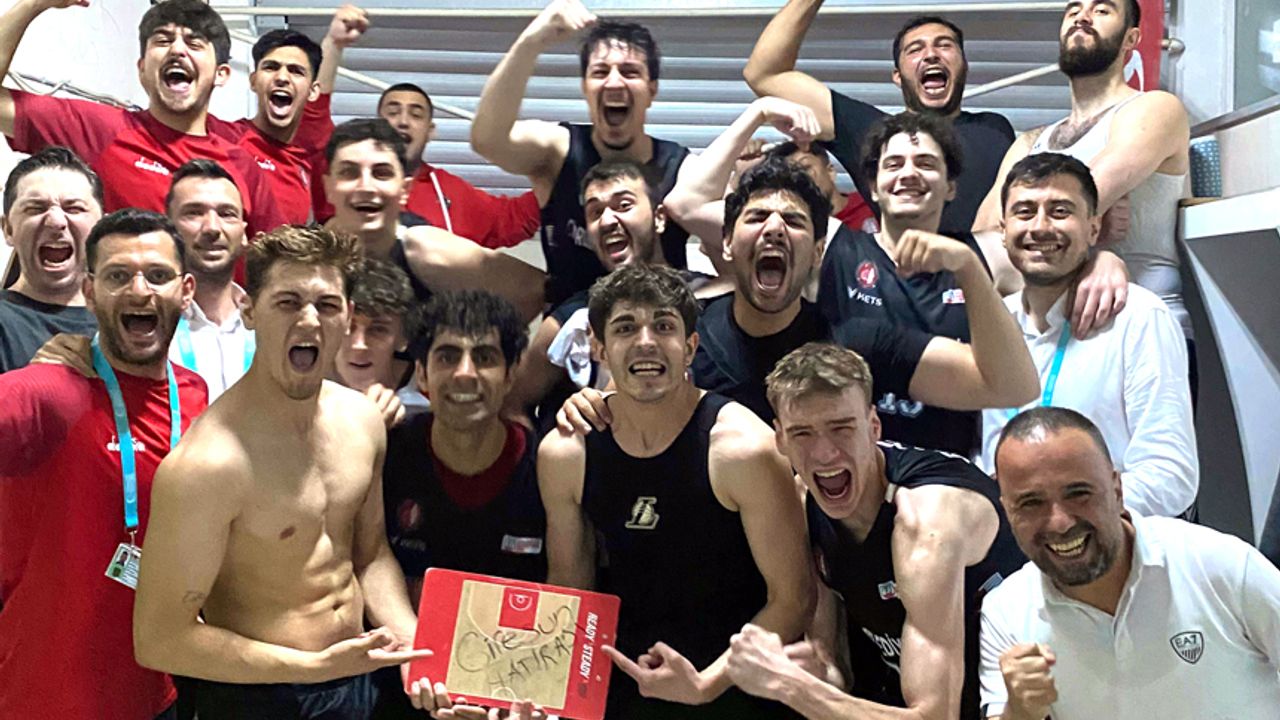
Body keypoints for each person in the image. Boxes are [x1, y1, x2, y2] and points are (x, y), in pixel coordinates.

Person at [131, 225, 431, 719]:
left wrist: (410, 640)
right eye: (288, 302)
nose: (309, 320)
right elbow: (160, 639)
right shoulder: (207, 465)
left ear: (347, 315)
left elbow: (370, 554)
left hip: (354, 680)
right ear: (250, 311)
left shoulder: (362, 421)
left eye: (327, 305)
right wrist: (311, 667)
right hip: (257, 696)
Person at [539, 263, 815, 719]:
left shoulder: (743, 449)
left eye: (664, 326)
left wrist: (706, 686)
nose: (646, 341)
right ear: (598, 347)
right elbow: (571, 595)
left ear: (690, 347)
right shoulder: (567, 452)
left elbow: (794, 599)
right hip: (625, 683)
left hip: (735, 687)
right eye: (625, 327)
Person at [725, 342, 1026, 720]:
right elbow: (837, 673)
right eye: (802, 433)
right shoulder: (804, 503)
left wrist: (794, 688)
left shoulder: (927, 524)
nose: (824, 453)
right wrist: (815, 676)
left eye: (841, 428)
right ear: (780, 439)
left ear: (873, 427)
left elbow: (935, 716)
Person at [0, 208, 205, 719]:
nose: (139, 291)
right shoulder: (45, 393)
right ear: (89, 292)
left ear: (186, 291)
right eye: (118, 276)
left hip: (161, 692)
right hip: (46, 698)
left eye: (157, 275)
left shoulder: (195, 395)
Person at [688, 159, 1038, 436]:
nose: (775, 229)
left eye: (794, 221)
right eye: (758, 217)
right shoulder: (682, 332)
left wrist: (970, 269)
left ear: (817, 253)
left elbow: (1010, 386)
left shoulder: (853, 341)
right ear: (728, 243)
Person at [979, 407, 1280, 720]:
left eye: (1078, 493)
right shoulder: (1006, 612)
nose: (1060, 523)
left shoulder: (1217, 563)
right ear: (1007, 510)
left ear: (1117, 490)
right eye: (1031, 503)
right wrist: (1019, 711)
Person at [979, 153, 1196, 519]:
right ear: (1003, 229)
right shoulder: (988, 325)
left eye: (1060, 211)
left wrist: (1069, 512)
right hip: (1001, 538)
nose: (1040, 227)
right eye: (1025, 212)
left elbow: (1170, 476)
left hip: (1108, 539)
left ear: (1094, 228)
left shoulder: (1137, 318)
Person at [973, 0, 1192, 344]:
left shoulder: (1154, 108)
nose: (1083, 17)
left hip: (1135, 326)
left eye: (1102, 10)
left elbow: (1074, 204)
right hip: (1048, 334)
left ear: (1131, 39)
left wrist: (1080, 231)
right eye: (1073, 10)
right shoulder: (1029, 142)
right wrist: (1096, 246)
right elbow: (985, 241)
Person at [381, 290, 547, 719]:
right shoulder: (387, 452)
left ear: (511, 375)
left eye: (485, 357)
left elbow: (567, 592)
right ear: (422, 373)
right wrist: (414, 649)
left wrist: (523, 694)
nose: (465, 374)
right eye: (447, 356)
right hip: (402, 682)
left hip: (514, 692)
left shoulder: (549, 468)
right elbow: (367, 559)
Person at [471, 0, 695, 305]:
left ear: (652, 89)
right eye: (600, 72)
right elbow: (487, 140)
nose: (614, 82)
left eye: (629, 72)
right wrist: (531, 41)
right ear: (585, 87)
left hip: (658, 319)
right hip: (570, 320)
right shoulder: (558, 150)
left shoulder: (682, 168)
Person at [0, 0, 287, 235]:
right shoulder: (101, 131)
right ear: (141, 69)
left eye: (195, 43)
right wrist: (31, 4)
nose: (177, 49)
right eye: (163, 40)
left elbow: (276, 261)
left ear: (220, 74)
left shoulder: (244, 167)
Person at [743, 2, 1014, 233]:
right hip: (902, 276)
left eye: (944, 45)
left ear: (964, 66)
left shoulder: (995, 128)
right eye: (915, 49)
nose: (931, 55)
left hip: (991, 276)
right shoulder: (873, 132)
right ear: (897, 76)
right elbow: (764, 74)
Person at [506, 160, 729, 429]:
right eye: (595, 212)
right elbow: (513, 404)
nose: (607, 221)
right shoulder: (573, 320)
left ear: (659, 217)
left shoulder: (716, 300)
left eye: (623, 205)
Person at [322, 118, 545, 322]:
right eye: (349, 172)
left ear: (405, 190)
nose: (366, 187)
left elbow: (533, 290)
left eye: (382, 173)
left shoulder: (429, 252)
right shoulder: (311, 253)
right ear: (328, 187)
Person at [374, 82, 542, 249]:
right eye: (393, 113)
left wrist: (556, 170)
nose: (403, 121)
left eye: (416, 115)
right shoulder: (358, 185)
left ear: (430, 131)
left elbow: (513, 217)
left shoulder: (449, 190)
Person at [206, 28, 326, 224]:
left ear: (312, 91)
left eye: (296, 71)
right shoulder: (221, 136)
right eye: (271, 67)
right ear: (253, 81)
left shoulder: (305, 169)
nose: (282, 78)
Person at [0, 146, 103, 372]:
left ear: (101, 229)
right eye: (36, 208)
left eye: (74, 208)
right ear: (8, 229)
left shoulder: (130, 323)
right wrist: (30, 384)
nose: (56, 222)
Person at [164, 159, 255, 400]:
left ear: (244, 233)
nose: (212, 228)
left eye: (227, 214)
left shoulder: (270, 321)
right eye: (194, 213)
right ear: (168, 230)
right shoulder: (151, 323)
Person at [334, 257, 424, 424]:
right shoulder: (298, 386)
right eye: (348, 326)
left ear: (404, 338)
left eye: (378, 329)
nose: (359, 345)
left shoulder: (429, 398)